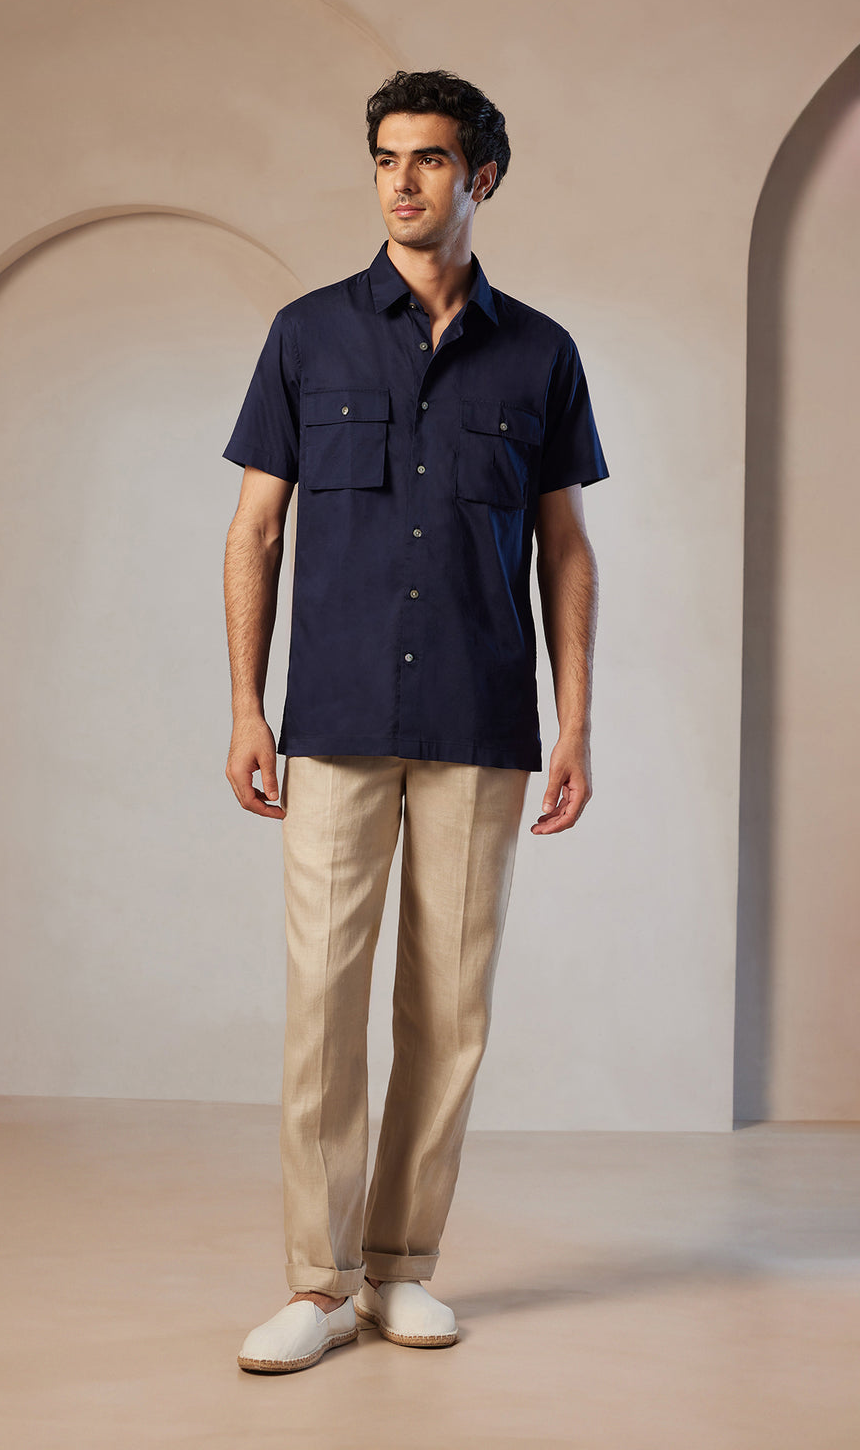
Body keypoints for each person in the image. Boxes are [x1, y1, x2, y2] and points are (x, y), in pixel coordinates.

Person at [221, 69, 609, 1375]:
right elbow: (255, 530)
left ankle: (401, 1269)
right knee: (324, 1006)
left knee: (448, 1013)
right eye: (387, 157)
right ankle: (317, 1281)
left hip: (480, 716)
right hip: (331, 715)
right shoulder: (307, 335)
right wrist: (245, 705)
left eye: (431, 159)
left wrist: (574, 722)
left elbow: (566, 548)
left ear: (479, 176)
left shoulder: (541, 353)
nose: (402, 181)